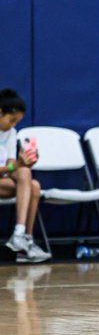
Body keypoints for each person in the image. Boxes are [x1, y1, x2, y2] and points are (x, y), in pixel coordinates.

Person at [0, 89, 51, 263]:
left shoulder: (11, 133)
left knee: (32, 184)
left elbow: (11, 166)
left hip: (3, 180)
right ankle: (21, 238)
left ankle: (23, 239)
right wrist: (17, 166)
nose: (13, 125)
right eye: (11, 120)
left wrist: (26, 162)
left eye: (17, 122)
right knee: (26, 178)